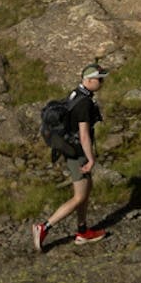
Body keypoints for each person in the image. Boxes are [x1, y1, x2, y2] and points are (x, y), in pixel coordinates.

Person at [34, 64, 109, 252]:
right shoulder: (84, 103)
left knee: (86, 190)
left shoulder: (76, 94)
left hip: (72, 150)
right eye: (100, 79)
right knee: (79, 196)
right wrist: (90, 159)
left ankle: (82, 231)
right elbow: (84, 134)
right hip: (78, 154)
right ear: (90, 80)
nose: (102, 82)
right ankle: (44, 227)